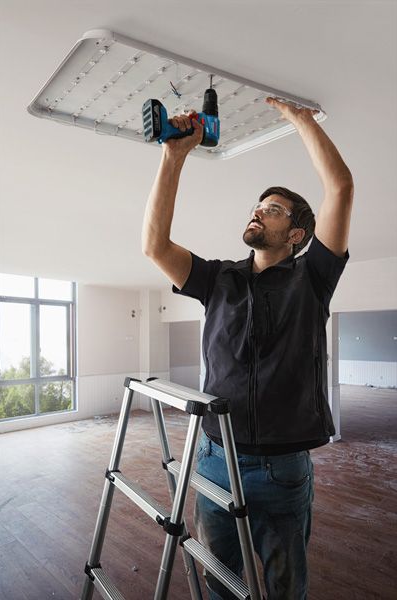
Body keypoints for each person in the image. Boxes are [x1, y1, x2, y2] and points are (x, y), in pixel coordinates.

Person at [142, 97, 354, 600]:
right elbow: (154, 246)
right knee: (220, 580)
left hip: (282, 469)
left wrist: (302, 120)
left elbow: (341, 187)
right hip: (216, 456)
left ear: (296, 234)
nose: (259, 211)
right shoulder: (219, 279)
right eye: (259, 205)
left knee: (284, 587)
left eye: (274, 209)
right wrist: (173, 157)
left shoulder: (314, 278)